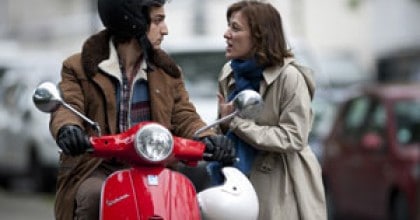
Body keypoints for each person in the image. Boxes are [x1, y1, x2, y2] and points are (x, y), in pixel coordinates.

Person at [49, 0, 235, 219]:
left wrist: (208, 137)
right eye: (157, 21)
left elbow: (185, 115)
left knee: (185, 200)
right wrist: (68, 128)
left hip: (154, 168)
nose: (165, 30)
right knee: (94, 197)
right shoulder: (79, 67)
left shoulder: (167, 72)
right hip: (98, 167)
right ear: (133, 22)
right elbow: (68, 106)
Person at [214, 1, 327, 219]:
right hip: (236, 180)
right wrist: (222, 124)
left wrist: (236, 124)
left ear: (259, 36)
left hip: (283, 184)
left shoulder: (290, 78)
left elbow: (294, 137)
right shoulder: (229, 73)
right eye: (228, 26)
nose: (226, 34)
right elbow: (224, 129)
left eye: (235, 28)